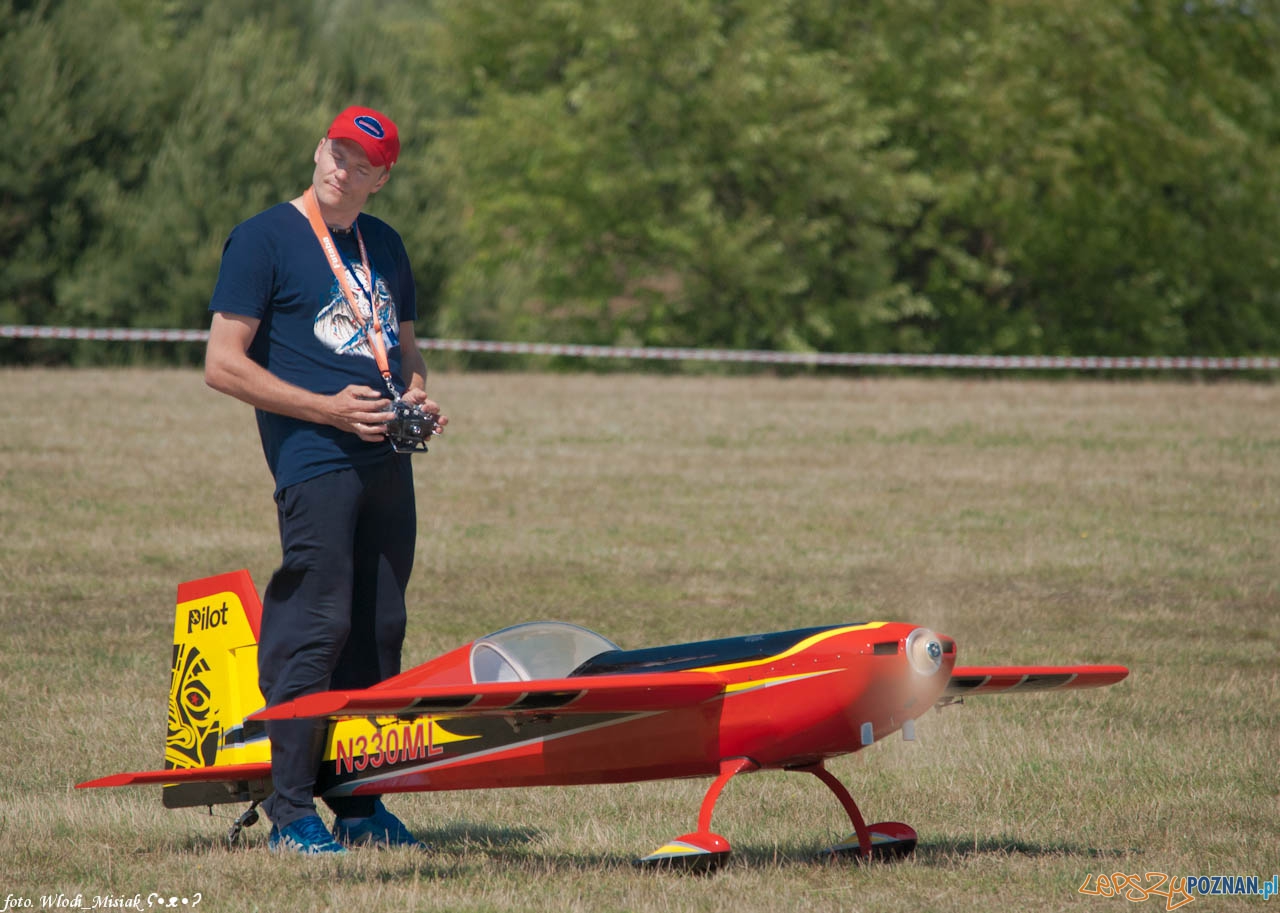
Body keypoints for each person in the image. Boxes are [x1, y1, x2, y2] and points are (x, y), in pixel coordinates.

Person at [204, 105, 446, 854]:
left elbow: (406, 350)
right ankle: (290, 811)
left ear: (382, 178)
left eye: (362, 163)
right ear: (318, 151)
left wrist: (416, 396)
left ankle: (361, 804)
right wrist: (326, 409)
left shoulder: (386, 243)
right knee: (316, 626)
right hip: (314, 459)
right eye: (338, 153)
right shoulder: (262, 238)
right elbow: (222, 365)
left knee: (379, 630)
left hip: (387, 462)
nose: (344, 169)